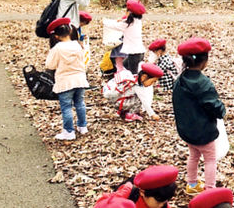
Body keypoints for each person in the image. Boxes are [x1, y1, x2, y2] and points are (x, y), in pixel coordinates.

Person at [172, 37, 226, 195]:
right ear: (205, 61)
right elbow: (212, 104)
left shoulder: (180, 80)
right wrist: (222, 111)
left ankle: (192, 183)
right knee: (210, 159)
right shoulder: (203, 83)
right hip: (204, 131)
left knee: (193, 156)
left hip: (187, 130)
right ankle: (210, 189)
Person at [45, 18, 89, 140]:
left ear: (57, 36)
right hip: (80, 79)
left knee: (66, 107)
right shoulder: (78, 45)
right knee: (80, 103)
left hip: (65, 82)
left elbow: (50, 65)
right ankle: (82, 126)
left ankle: (69, 132)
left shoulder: (57, 48)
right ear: (70, 31)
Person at [95, 165, 178, 208]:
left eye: (165, 201)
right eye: (158, 202)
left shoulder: (159, 199)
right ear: (142, 192)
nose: (161, 205)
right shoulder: (125, 198)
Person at [104, 0, 147, 74]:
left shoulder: (128, 24)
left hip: (134, 54)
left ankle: (135, 84)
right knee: (125, 66)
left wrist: (104, 21)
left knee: (133, 74)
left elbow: (114, 26)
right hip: (139, 52)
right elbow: (125, 21)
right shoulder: (137, 21)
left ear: (129, 12)